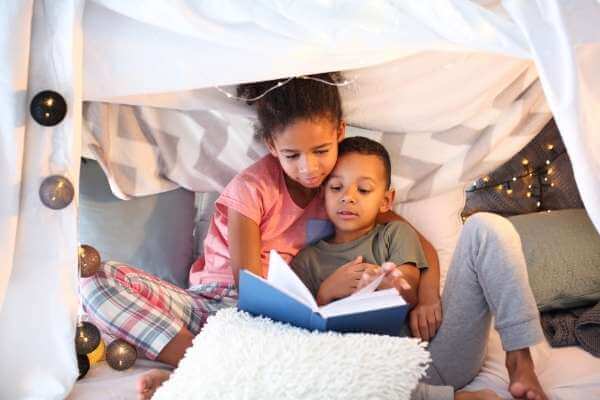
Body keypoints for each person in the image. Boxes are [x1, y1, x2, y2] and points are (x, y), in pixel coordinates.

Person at [82, 73, 444, 400]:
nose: (309, 168)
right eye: (292, 155)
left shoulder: (337, 188)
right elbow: (246, 284)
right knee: (95, 280)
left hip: (281, 321)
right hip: (221, 307)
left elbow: (418, 243)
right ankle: (202, 368)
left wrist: (428, 298)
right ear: (272, 145)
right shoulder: (252, 190)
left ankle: (199, 376)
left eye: (321, 151)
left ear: (339, 132)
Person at [290, 136, 548, 400]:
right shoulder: (307, 260)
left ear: (386, 200)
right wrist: (325, 294)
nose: (348, 198)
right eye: (336, 188)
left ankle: (519, 361)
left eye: (364, 190)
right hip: (372, 376)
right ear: (322, 194)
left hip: (435, 356)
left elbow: (409, 290)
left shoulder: (393, 233)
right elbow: (301, 340)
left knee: (487, 227)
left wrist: (385, 285)